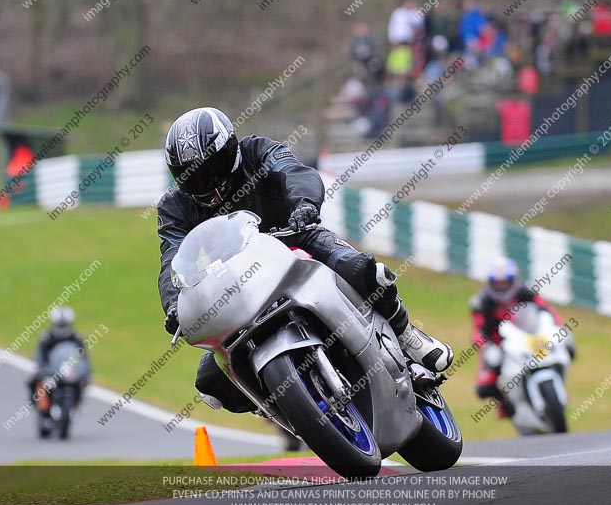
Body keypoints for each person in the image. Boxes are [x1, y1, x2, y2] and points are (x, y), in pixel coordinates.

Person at [157, 107, 453, 412]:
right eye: (192, 176)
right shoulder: (174, 206)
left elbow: (295, 172)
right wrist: (173, 305)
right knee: (211, 383)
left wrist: (304, 205)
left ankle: (407, 335)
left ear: (231, 149)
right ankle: (283, 406)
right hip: (238, 279)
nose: (206, 184)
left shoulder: (256, 151)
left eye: (212, 168)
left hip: (295, 236)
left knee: (365, 272)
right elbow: (171, 258)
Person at [470, 258, 572, 416]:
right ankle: (506, 405)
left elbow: (546, 310)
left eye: (505, 282)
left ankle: (559, 392)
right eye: (497, 283)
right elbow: (478, 330)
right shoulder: (482, 302)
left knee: (567, 346)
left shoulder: (526, 292)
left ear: (513, 280)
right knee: (485, 386)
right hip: (499, 345)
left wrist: (558, 326)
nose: (501, 286)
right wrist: (487, 348)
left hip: (527, 336)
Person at [29, 307, 86, 413]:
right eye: (60, 324)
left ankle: (77, 404)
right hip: (51, 370)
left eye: (64, 324)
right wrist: (42, 368)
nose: (62, 327)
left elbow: (83, 357)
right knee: (35, 381)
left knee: (82, 383)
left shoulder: (76, 338)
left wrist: (85, 371)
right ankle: (37, 404)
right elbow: (40, 355)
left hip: (69, 371)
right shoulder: (47, 337)